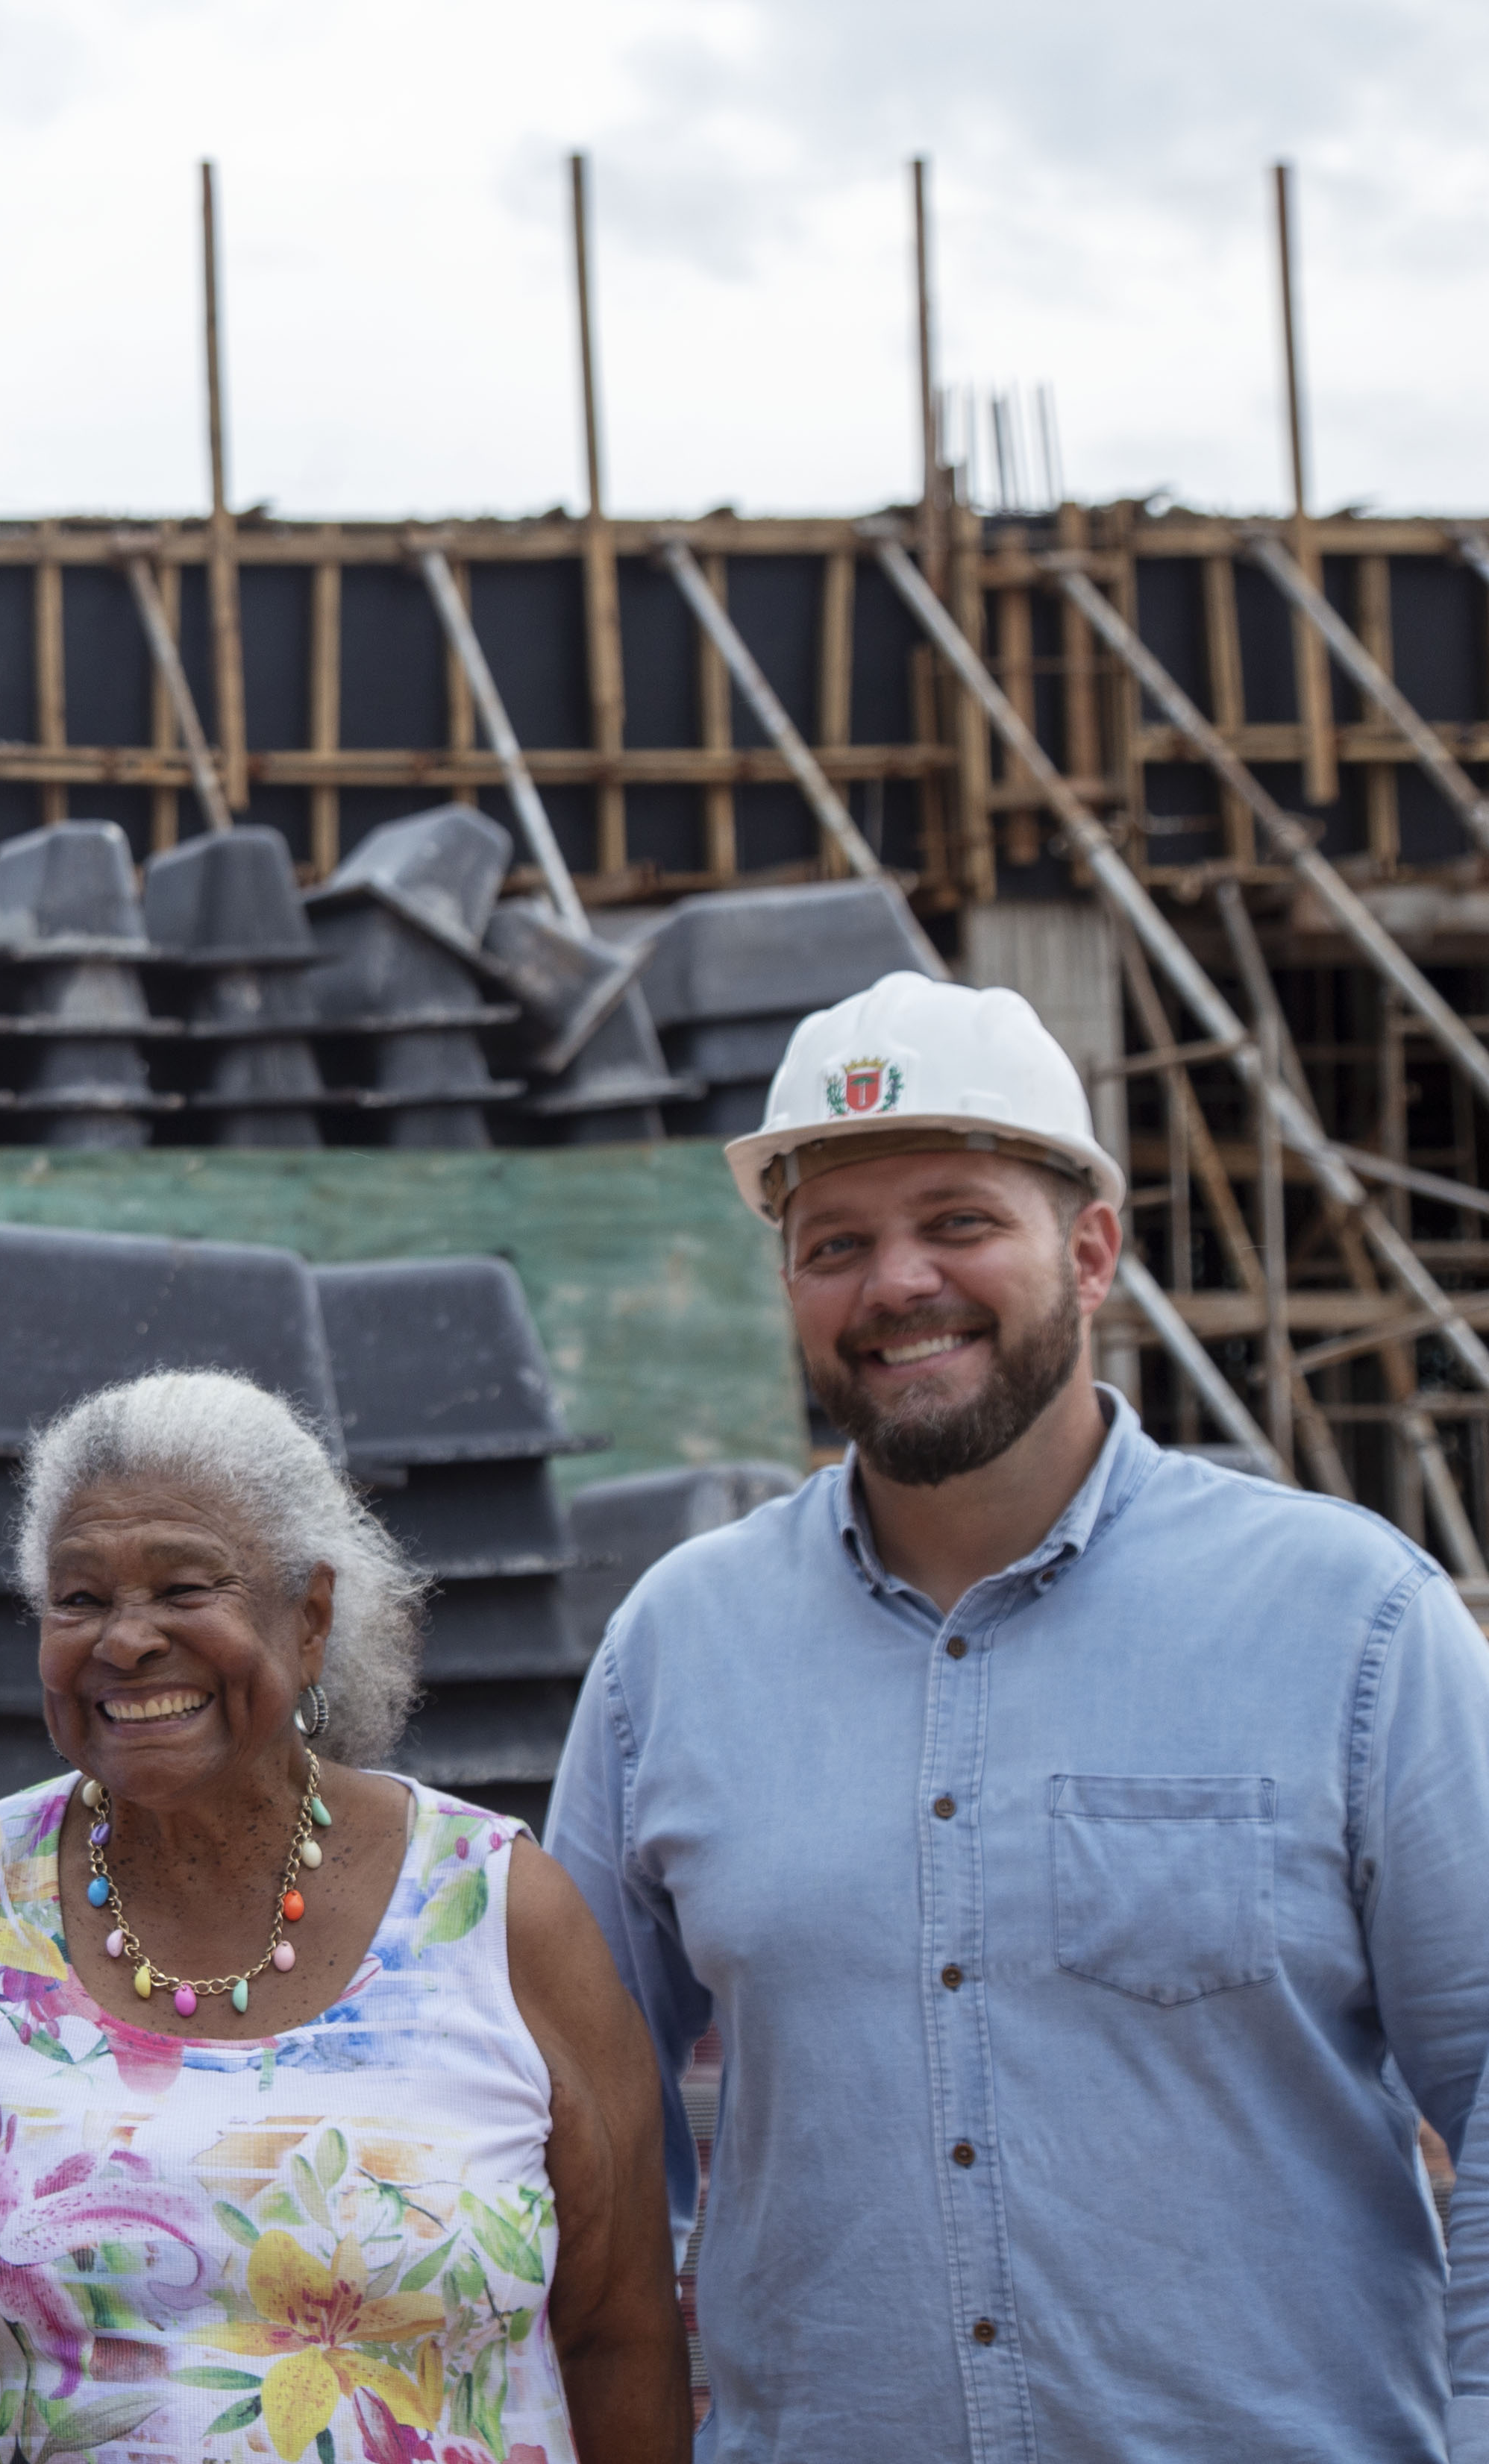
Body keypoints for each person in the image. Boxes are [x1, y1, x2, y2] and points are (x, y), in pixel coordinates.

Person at [548, 969, 1489, 2455]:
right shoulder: (676, 1647)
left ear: (1095, 1250)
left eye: (959, 1223)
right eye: (834, 1245)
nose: (897, 1283)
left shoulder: (1351, 1624)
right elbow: (583, 2137)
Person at [0, 1369, 691, 2464]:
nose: (124, 1640)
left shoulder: (497, 1905)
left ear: (310, 1618)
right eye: (79, 1600)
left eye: (186, 1589)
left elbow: (623, 2346)